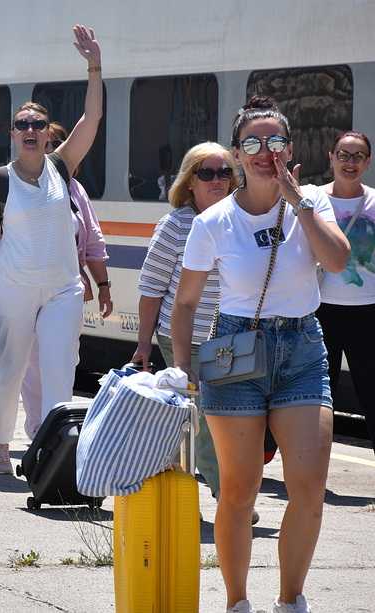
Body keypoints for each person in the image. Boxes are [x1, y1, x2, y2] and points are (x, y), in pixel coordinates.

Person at [172, 96, 350, 613]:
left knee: (309, 486)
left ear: (289, 149)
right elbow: (184, 304)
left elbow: (337, 261)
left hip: (301, 346)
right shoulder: (214, 223)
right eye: (252, 142)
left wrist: (297, 204)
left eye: (274, 141)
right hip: (234, 348)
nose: (264, 151)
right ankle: (237, 601)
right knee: (240, 489)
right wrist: (184, 370)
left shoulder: (311, 202)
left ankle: (291, 600)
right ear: (236, 154)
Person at [0, 25, 104, 475]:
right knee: (9, 370)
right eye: (22, 124)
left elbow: (92, 120)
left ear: (48, 135)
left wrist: (94, 67)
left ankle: (55, 448)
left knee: (61, 368)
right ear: (13, 134)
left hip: (62, 289)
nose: (30, 130)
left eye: (37, 124)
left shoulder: (61, 168)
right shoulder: (0, 179)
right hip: (12, 287)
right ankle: (0, 444)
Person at [131, 141, 239, 504]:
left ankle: (186, 493)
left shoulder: (237, 221)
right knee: (205, 420)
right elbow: (150, 288)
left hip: (228, 338)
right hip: (183, 336)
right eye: (206, 173)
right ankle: (227, 495)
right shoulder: (176, 225)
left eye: (225, 172)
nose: (217, 180)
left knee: (222, 418)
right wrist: (143, 343)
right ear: (189, 181)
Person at [15, 120, 112, 440]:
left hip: (67, 288)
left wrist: (103, 286)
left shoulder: (76, 191)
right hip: (25, 286)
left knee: (65, 359)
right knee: (32, 366)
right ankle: (38, 432)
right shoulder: (15, 182)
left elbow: (94, 242)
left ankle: (54, 432)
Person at [317, 131, 375, 455]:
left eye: (357, 156)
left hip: (368, 311)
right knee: (321, 398)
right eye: (344, 155)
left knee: (372, 393)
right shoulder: (314, 199)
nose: (349, 163)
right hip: (320, 309)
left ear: (367, 162)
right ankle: (313, 474)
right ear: (331, 157)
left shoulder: (374, 201)